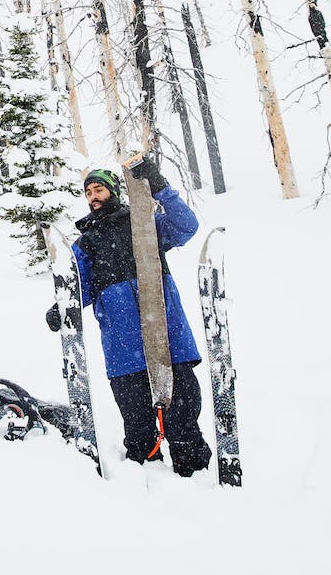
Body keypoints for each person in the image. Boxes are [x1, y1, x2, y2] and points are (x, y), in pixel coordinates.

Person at [47, 153, 213, 474]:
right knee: (138, 435)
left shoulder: (143, 224)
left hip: (168, 341)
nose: (93, 197)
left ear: (114, 191)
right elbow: (79, 285)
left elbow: (186, 225)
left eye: (99, 190)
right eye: (88, 192)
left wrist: (159, 186)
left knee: (184, 425)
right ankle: (142, 490)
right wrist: (62, 308)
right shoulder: (86, 243)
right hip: (124, 352)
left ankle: (198, 484)